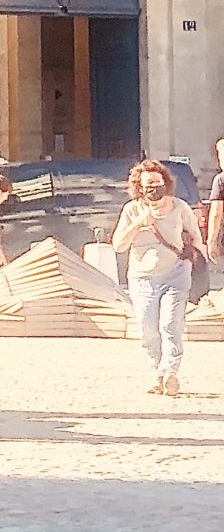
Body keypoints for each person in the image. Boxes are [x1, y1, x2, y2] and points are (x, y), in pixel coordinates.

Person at [111, 160, 203, 396]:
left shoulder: (180, 207)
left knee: (170, 325)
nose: (154, 188)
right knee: (147, 329)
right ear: (140, 187)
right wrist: (138, 224)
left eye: (158, 183)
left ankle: (170, 371)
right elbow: (119, 245)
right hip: (142, 278)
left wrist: (195, 259)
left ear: (166, 183)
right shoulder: (131, 210)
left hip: (176, 273)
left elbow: (195, 236)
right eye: (149, 184)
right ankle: (156, 373)